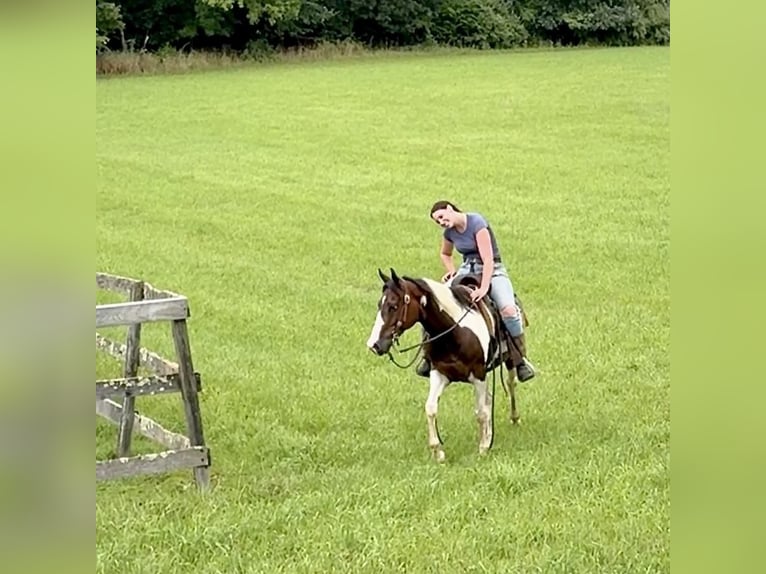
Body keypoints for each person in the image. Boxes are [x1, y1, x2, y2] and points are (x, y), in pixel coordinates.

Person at [416, 200, 536, 382]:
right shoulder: (449, 233)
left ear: (450, 209)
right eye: (437, 221)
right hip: (466, 269)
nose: (440, 222)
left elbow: (488, 259)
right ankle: (428, 357)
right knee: (434, 303)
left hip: (492, 270)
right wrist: (451, 271)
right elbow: (445, 254)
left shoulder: (477, 223)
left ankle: (520, 360)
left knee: (508, 309)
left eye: (441, 217)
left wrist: (484, 287)